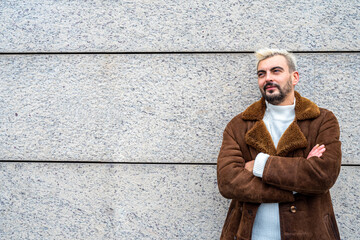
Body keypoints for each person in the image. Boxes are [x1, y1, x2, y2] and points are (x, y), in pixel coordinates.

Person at [217, 48, 341, 240]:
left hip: (310, 234)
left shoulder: (322, 120)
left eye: (276, 71)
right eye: (261, 73)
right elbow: (228, 183)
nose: (267, 78)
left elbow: (323, 176)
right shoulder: (239, 125)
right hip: (248, 234)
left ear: (294, 77)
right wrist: (296, 184)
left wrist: (259, 165)